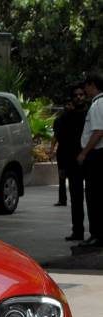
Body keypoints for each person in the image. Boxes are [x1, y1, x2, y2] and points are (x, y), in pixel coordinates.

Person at [50, 86, 88, 240]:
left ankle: (97, 233)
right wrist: (62, 166)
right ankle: (77, 231)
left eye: (81, 94)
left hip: (91, 161)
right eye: (76, 95)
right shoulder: (66, 118)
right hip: (72, 163)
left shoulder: (90, 114)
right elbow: (62, 143)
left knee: (95, 199)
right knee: (76, 198)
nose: (79, 97)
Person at [77, 72, 103, 247]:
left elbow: (98, 131)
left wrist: (84, 152)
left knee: (94, 195)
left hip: (97, 154)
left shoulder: (98, 104)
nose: (84, 90)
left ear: (92, 85)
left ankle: (97, 234)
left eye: (86, 86)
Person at [50, 99, 74, 207]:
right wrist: (52, 150)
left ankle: (74, 198)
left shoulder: (78, 119)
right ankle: (62, 199)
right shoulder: (58, 120)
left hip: (75, 150)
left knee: (74, 176)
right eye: (68, 104)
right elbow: (55, 136)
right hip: (62, 151)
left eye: (71, 105)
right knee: (62, 176)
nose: (69, 107)